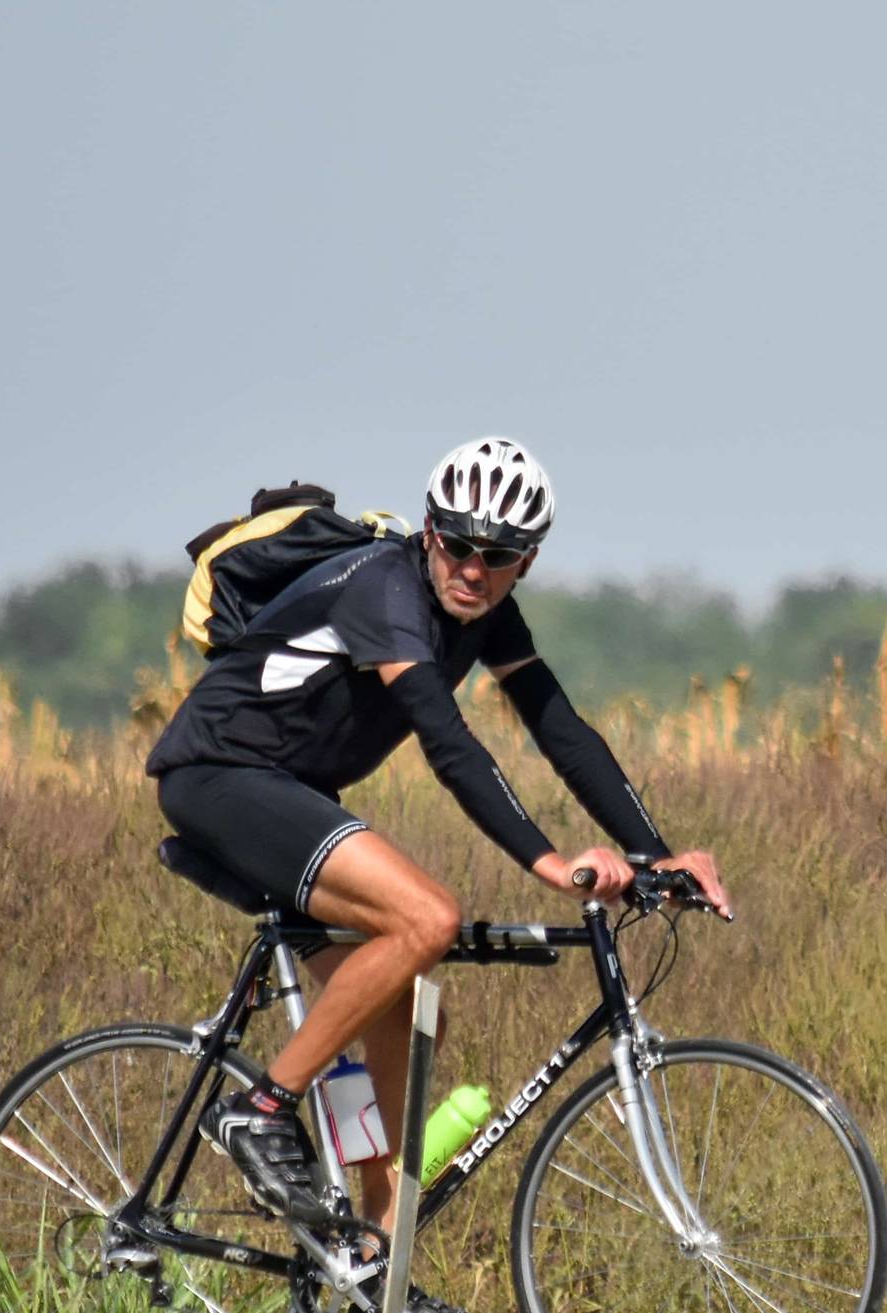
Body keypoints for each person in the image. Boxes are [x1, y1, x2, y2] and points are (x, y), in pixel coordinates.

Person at [145, 437, 729, 1302]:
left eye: (496, 557)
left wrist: (654, 850)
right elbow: (448, 743)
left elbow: (557, 727)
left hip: (294, 788)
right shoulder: (385, 588)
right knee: (429, 920)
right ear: (428, 532)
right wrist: (556, 865)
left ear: (526, 561)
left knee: (406, 1008)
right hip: (222, 775)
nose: (471, 569)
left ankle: (367, 1263)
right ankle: (258, 1107)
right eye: (457, 545)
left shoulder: (489, 612)